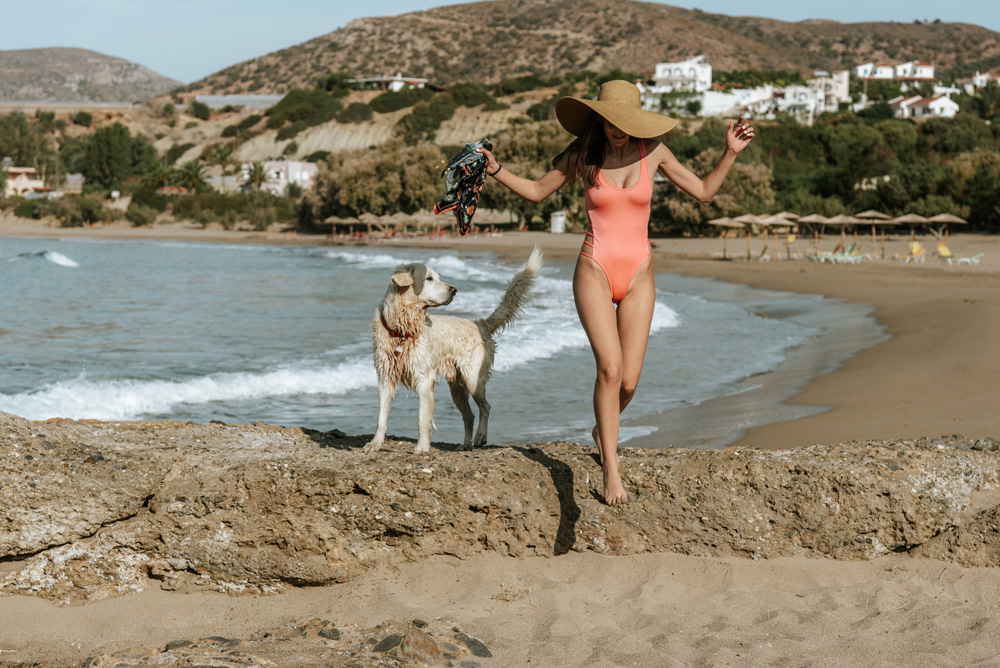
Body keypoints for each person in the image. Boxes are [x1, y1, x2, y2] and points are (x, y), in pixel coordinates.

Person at [478, 80, 755, 505]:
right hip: (595, 269)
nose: (616, 129)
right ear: (600, 119)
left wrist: (730, 154)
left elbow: (703, 193)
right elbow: (536, 191)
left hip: (640, 273)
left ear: (637, 122)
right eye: (610, 121)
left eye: (624, 122)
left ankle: (600, 428)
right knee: (609, 369)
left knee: (628, 381)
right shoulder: (584, 156)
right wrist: (495, 169)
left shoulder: (655, 151)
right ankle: (612, 468)